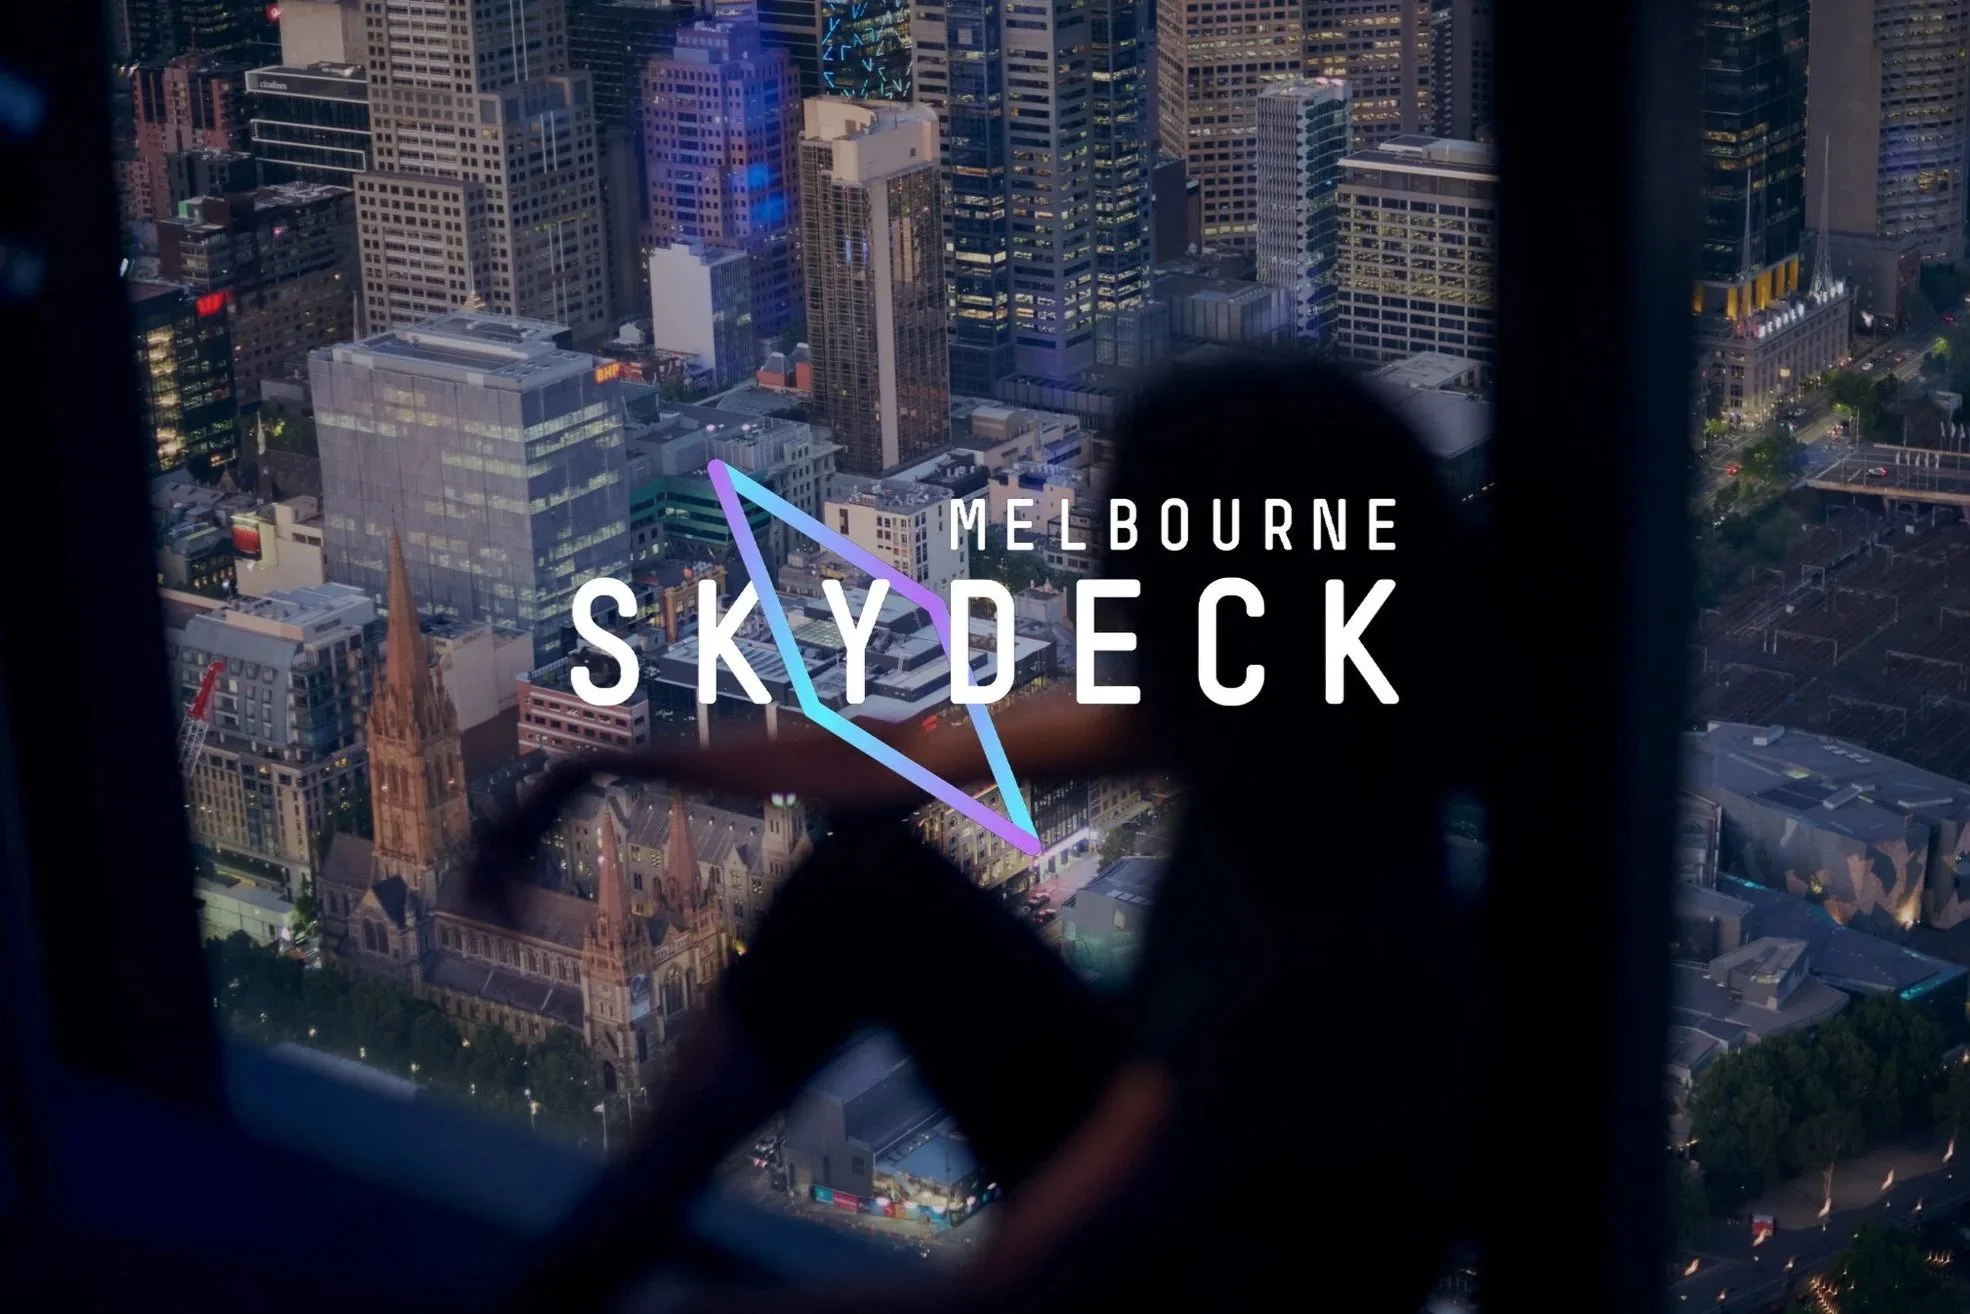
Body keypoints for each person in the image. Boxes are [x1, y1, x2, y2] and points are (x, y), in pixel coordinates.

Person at [468, 353, 1482, 1314]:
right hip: (1180, 1198)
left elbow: (1014, 1288)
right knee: (864, 883)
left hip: (1222, 1278)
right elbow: (893, 760)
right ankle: (609, 1237)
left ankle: (588, 1268)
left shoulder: (1305, 912)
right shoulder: (1277, 721)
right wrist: (603, 765)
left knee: (863, 903)